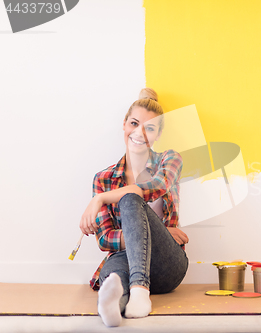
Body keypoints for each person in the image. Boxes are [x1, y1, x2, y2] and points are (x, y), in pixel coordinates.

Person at [79, 89, 189, 327]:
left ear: (158, 134)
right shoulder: (103, 178)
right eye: (134, 123)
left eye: (149, 128)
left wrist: (101, 199)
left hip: (167, 265)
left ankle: (140, 292)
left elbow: (156, 187)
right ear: (124, 125)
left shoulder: (169, 160)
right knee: (114, 275)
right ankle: (112, 308)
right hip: (125, 259)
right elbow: (105, 240)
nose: (139, 133)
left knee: (130, 197)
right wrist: (152, 233)